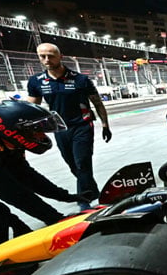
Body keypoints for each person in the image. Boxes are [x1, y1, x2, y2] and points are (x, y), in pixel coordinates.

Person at [0, 100, 81, 249]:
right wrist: (55, 218)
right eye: (36, 130)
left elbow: (26, 176)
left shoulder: (8, 145)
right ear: (12, 130)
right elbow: (14, 193)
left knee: (2, 217)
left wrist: (65, 196)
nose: (42, 136)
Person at [27, 42, 112, 210]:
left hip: (82, 126)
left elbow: (98, 103)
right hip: (60, 129)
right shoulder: (36, 82)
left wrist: (105, 125)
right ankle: (92, 190)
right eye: (42, 56)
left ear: (60, 56)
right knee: (73, 165)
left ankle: (84, 200)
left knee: (82, 163)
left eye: (50, 56)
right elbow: (31, 109)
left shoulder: (81, 79)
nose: (46, 60)